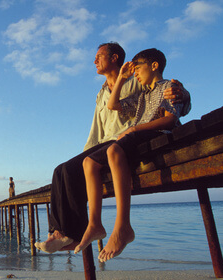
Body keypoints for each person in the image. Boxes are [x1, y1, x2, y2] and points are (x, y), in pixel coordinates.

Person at [35, 43, 191, 254]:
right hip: (102, 144)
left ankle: (75, 232)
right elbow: (98, 124)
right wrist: (86, 151)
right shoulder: (101, 94)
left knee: (77, 167)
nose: (94, 61)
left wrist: (183, 93)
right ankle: (59, 233)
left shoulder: (136, 80)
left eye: (99, 56)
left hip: (125, 140)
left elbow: (166, 91)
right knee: (61, 170)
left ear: (114, 57)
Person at [75, 48, 184, 262]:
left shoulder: (169, 87)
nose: (136, 74)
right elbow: (113, 105)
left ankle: (123, 226)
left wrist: (134, 129)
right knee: (88, 162)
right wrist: (122, 79)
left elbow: (171, 120)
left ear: (154, 66)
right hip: (137, 136)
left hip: (156, 135)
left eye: (138, 69)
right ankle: (94, 223)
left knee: (114, 150)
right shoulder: (142, 96)